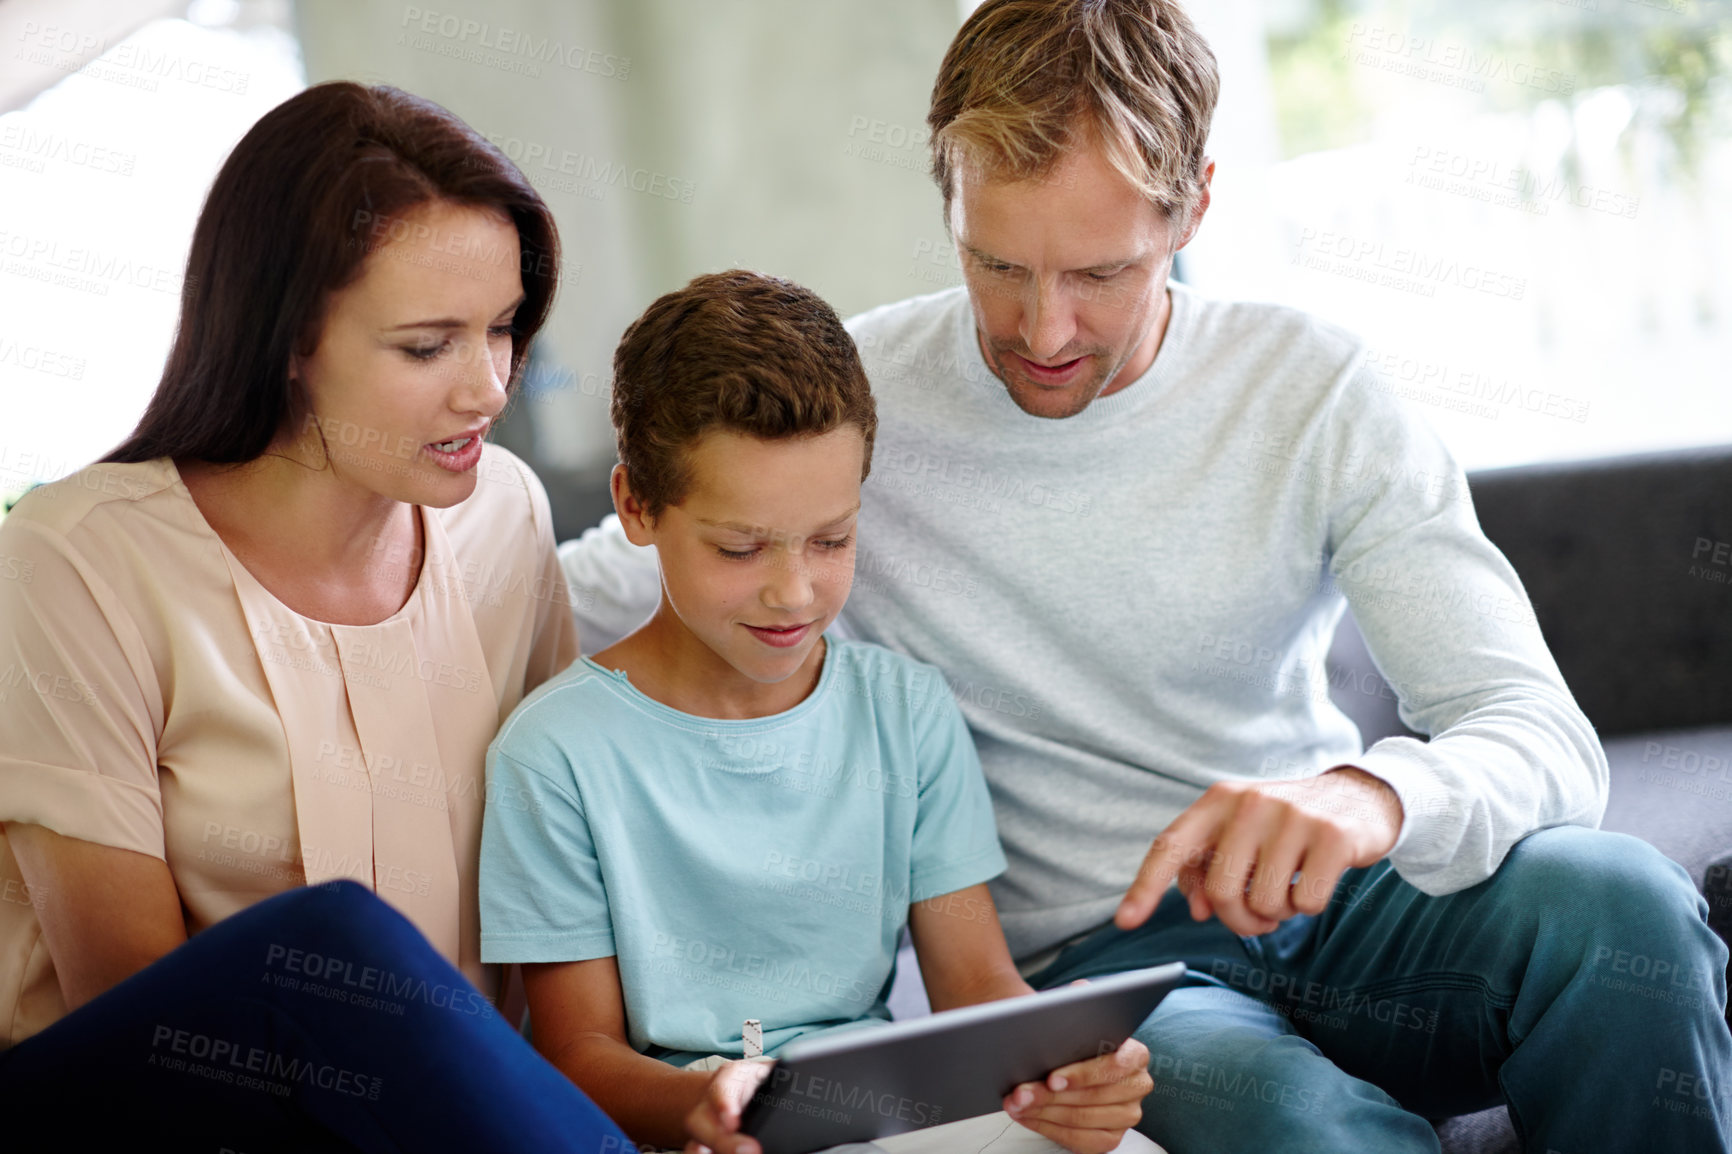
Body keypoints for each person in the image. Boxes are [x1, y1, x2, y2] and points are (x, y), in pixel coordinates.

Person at [555, 3, 1732, 1151]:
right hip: (1108, 969)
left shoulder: (1310, 387)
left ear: (1194, 209)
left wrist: (1364, 797)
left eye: (1101, 273)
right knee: (1288, 1120)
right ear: (948, 204)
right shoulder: (848, 405)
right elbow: (580, 587)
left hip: (1360, 908)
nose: (1043, 329)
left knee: (1621, 902)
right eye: (994, 263)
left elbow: (1537, 733)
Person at [0, 82, 629, 1151]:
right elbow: (148, 1010)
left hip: (428, 1115)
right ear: (287, 336)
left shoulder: (503, 513)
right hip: (134, 1111)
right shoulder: (71, 561)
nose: (487, 388)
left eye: (504, 330)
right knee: (332, 946)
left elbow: (553, 857)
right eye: (428, 346)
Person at [478, 270, 1154, 1154]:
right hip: (696, 1129)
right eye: (739, 546)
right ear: (636, 507)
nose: (793, 593)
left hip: (889, 1116)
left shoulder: (905, 713)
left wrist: (1072, 1072)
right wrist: (703, 1102)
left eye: (832, 540)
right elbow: (577, 1053)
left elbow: (977, 987)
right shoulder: (554, 753)